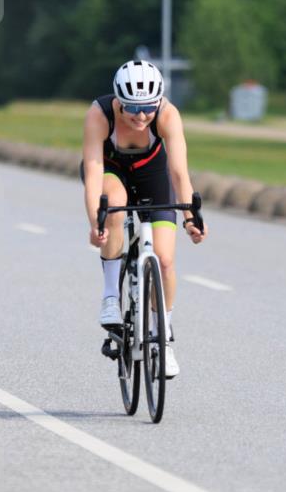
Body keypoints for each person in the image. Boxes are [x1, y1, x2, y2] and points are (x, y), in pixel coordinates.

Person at [81, 59, 207, 379]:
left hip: (152, 173)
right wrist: (95, 221)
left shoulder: (167, 115)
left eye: (148, 108)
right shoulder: (100, 114)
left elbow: (178, 171)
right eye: (132, 108)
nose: (141, 116)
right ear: (118, 102)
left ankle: (163, 341)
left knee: (164, 260)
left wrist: (191, 215)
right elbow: (94, 172)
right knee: (116, 204)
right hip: (111, 170)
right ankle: (111, 297)